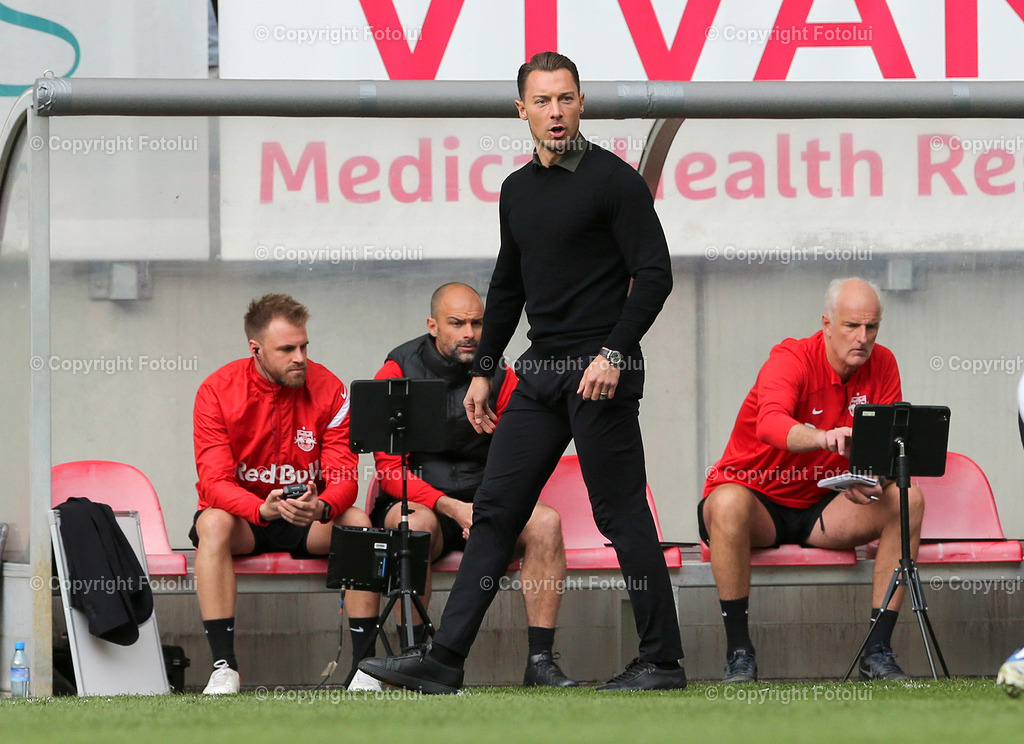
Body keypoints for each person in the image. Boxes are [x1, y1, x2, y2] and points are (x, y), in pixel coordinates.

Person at [359, 51, 686, 693]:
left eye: (565, 99)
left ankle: (662, 661)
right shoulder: (515, 190)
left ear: (581, 103)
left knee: (621, 513)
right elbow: (506, 286)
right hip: (540, 371)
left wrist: (614, 353)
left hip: (600, 369)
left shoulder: (615, 181)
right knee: (497, 510)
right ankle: (444, 660)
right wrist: (485, 370)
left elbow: (655, 275)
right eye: (542, 101)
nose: (555, 113)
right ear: (522, 110)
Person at [700, 278, 923, 683]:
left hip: (824, 507)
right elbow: (770, 424)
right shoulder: (791, 358)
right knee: (728, 502)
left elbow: (888, 446)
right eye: (852, 326)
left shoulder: (884, 363)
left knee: (910, 498)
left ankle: (877, 651)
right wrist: (823, 438)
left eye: (871, 328)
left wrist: (873, 477)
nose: (863, 337)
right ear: (826, 323)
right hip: (756, 503)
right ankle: (739, 653)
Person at [369, 282, 576, 687]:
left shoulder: (502, 373)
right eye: (457, 323)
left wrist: (488, 507)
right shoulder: (396, 369)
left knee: (546, 522)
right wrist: (452, 507)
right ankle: (413, 652)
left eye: (478, 323)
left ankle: (540, 662)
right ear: (433, 325)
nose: (470, 333)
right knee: (411, 524)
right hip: (429, 504)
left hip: (490, 503)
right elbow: (390, 471)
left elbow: (526, 456)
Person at [191, 293, 380, 694]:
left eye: (304, 346)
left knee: (358, 522)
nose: (300, 357)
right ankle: (224, 667)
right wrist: (261, 508)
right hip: (248, 518)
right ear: (255, 350)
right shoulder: (216, 390)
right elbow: (213, 482)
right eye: (287, 349)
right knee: (211, 522)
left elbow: (346, 475)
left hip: (307, 519)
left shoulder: (329, 388)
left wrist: (323, 505)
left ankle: (366, 668)